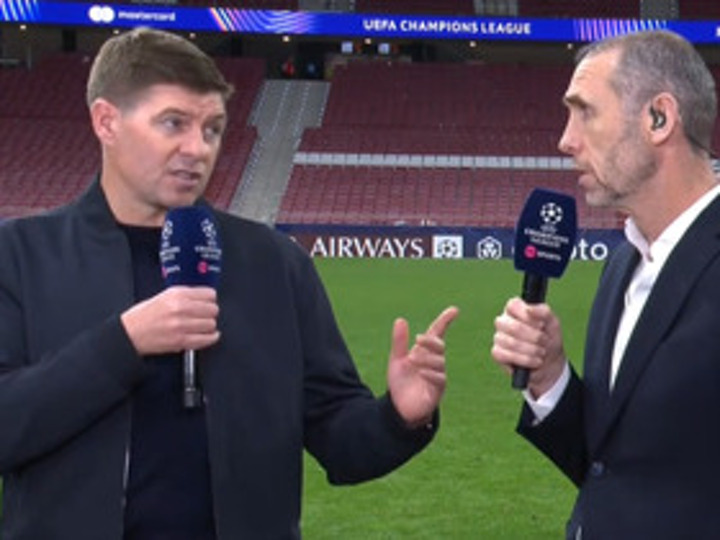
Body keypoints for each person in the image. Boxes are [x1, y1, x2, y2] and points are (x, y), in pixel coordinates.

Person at [0, 27, 459, 539]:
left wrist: (399, 416)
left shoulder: (275, 264)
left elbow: (340, 441)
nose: (197, 148)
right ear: (106, 121)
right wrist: (122, 344)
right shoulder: (19, 256)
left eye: (213, 129)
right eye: (173, 123)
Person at [491, 30, 720, 539]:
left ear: (659, 118)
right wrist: (550, 378)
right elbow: (612, 466)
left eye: (585, 112)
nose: (565, 140)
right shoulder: (621, 265)